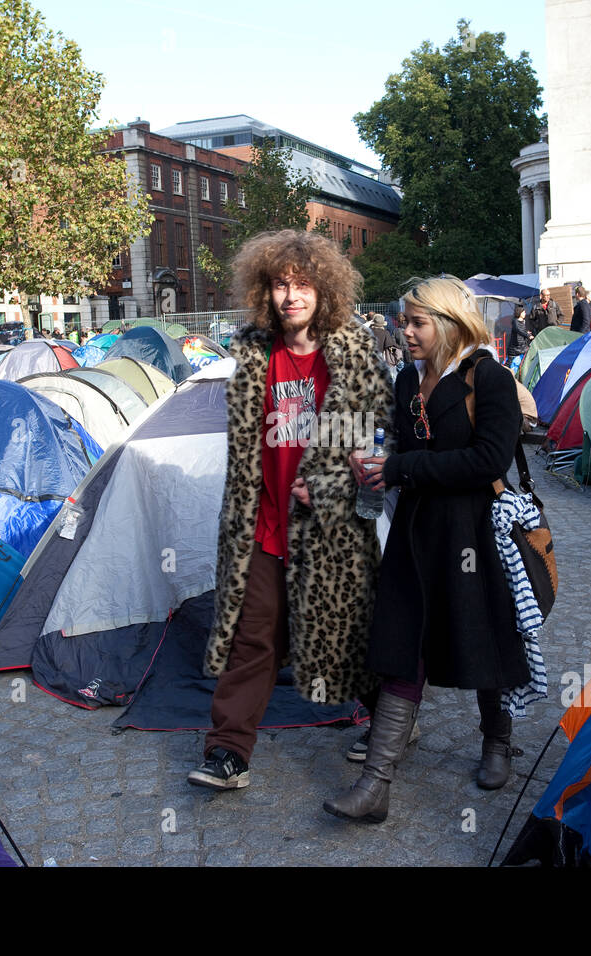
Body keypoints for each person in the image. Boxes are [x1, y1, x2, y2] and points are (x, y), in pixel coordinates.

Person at [188, 229, 392, 790]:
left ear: (324, 291)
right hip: (264, 524)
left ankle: (393, 722)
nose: (291, 296)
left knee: (347, 631)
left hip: (333, 531)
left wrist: (332, 484)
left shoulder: (351, 357)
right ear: (266, 291)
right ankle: (229, 751)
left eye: (303, 285)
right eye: (281, 285)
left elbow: (380, 449)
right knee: (254, 637)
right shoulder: (255, 356)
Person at [324, 276, 528, 823]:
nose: (404, 330)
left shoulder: (490, 379)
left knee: (480, 637)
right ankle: (375, 784)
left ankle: (497, 741)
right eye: (403, 320)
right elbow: (402, 448)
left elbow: (488, 462)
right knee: (402, 645)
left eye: (416, 322)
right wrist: (375, 468)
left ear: (449, 322)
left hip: (473, 534)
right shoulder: (406, 382)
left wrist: (400, 468)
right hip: (415, 533)